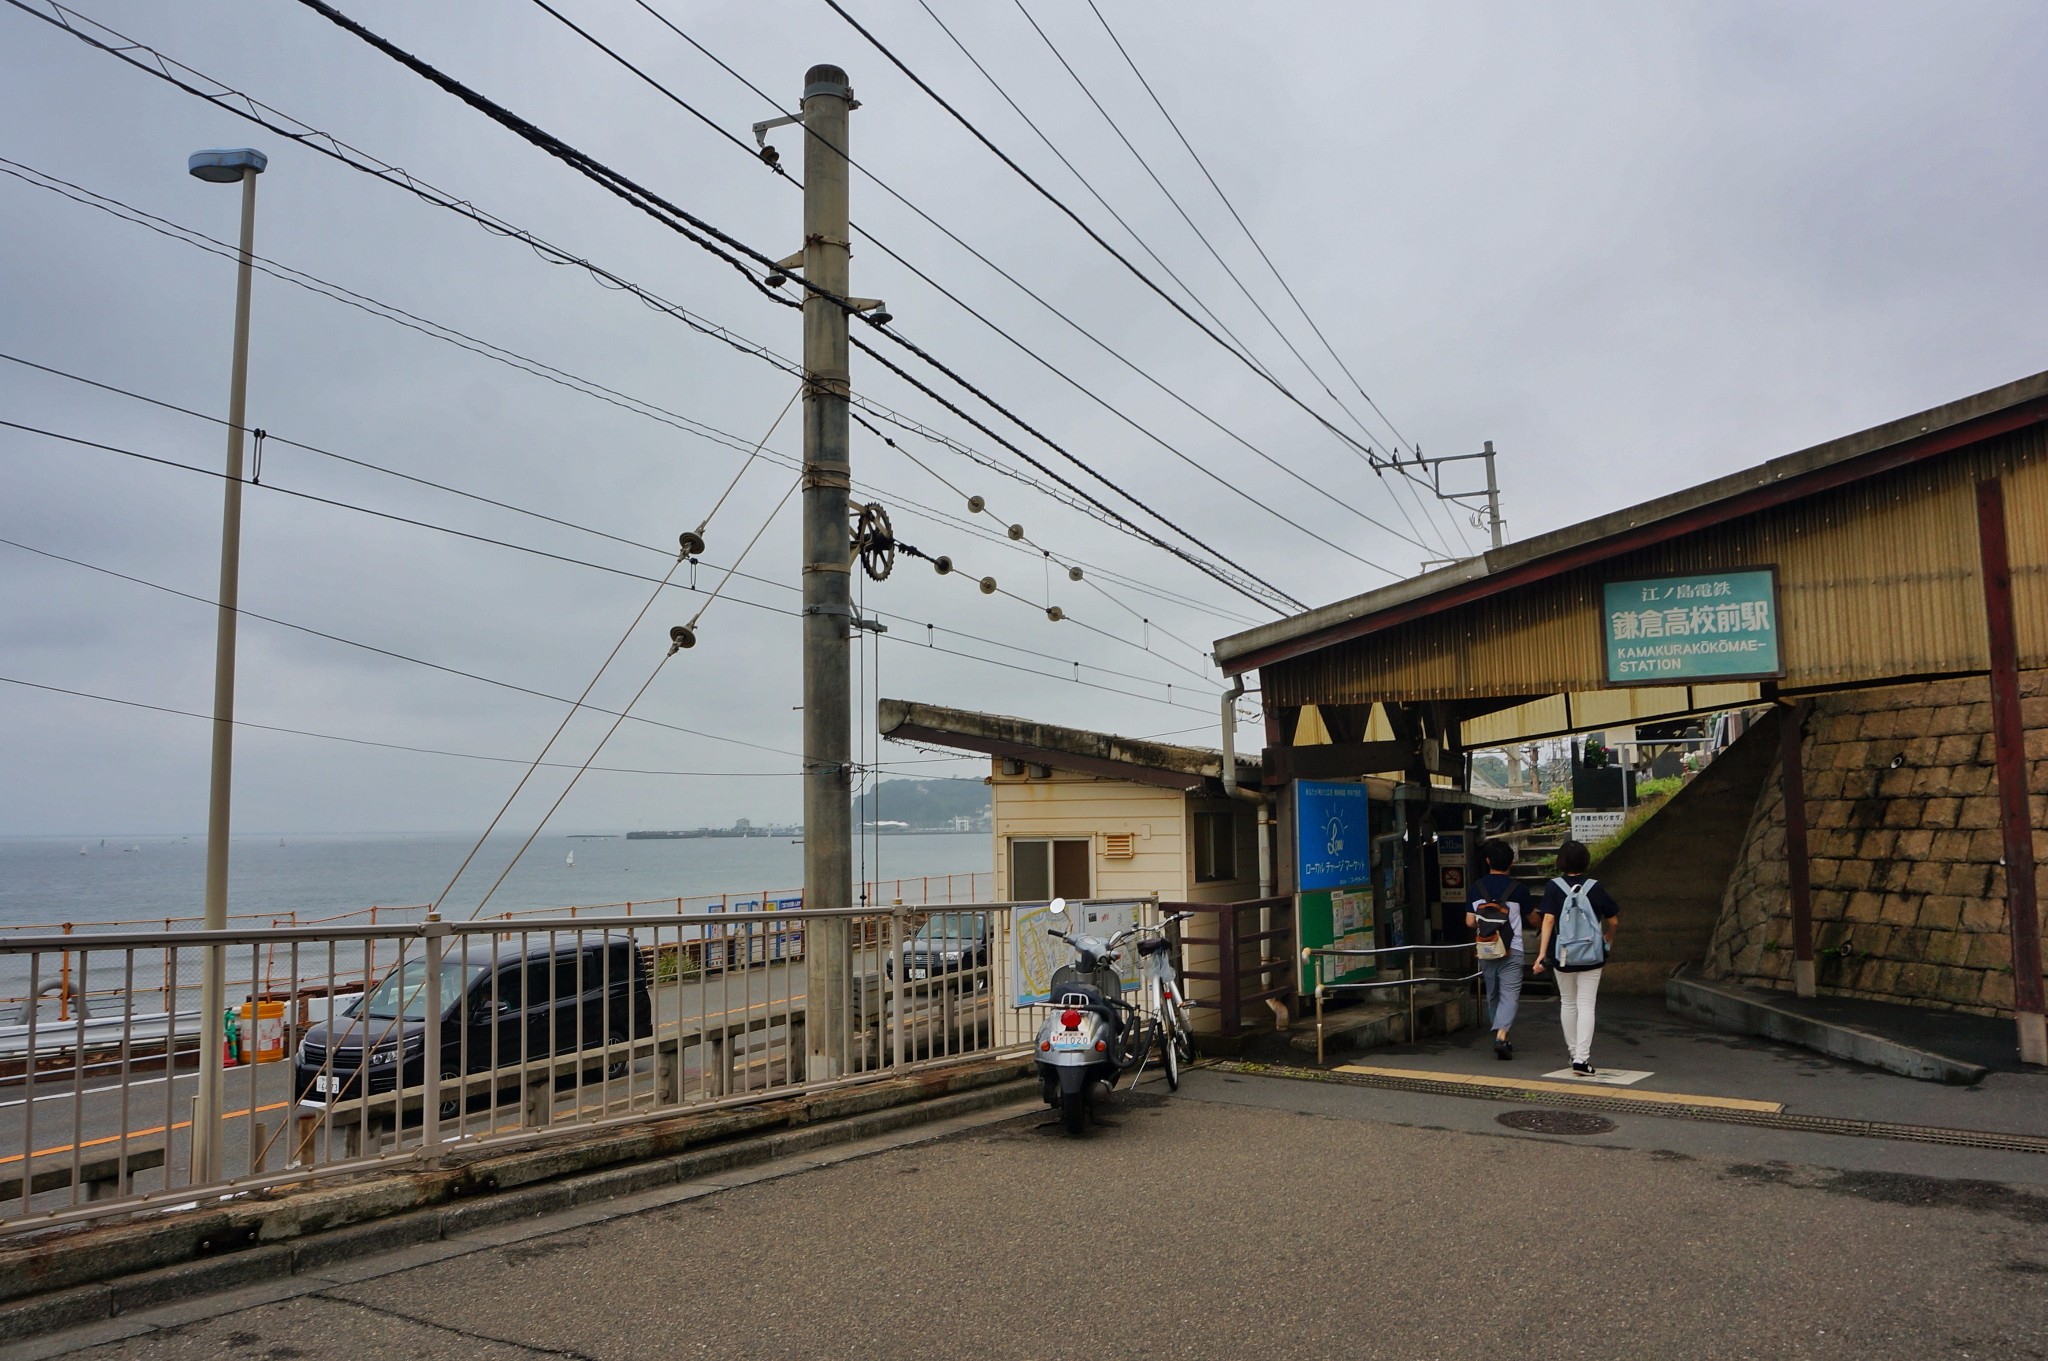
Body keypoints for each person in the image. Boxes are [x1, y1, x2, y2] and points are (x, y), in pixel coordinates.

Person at [1531, 839, 1620, 1075]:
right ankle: (1582, 1058)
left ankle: (1573, 1054)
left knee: (1568, 1002)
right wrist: (1608, 939)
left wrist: (1541, 954)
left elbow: (1548, 920)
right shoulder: (1595, 887)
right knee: (1586, 1004)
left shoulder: (1553, 887)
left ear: (1560, 862)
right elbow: (1613, 920)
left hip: (1563, 955)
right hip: (1592, 954)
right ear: (1586, 861)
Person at [1465, 838, 1531, 1060]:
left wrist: (1485, 922)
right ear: (1511, 863)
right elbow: (1531, 917)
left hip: (1486, 948)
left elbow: (1469, 922)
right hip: (1513, 948)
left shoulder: (1476, 888)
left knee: (1492, 993)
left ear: (1487, 861)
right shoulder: (1519, 890)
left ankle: (1500, 1034)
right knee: (1509, 995)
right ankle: (1502, 1035)